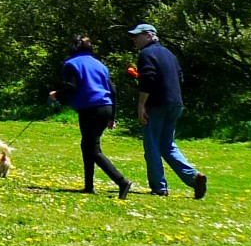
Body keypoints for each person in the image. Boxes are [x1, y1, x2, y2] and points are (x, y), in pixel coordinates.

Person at [48, 35, 132, 198]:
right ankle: (88, 186)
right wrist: (112, 117)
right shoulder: (100, 65)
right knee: (88, 145)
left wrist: (56, 95)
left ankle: (122, 181)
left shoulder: (71, 64)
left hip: (90, 109)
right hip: (106, 107)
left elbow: (71, 87)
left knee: (92, 149)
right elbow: (113, 91)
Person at [130, 24, 207, 199]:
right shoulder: (170, 54)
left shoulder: (146, 54)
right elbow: (179, 77)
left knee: (152, 146)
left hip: (156, 105)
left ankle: (159, 187)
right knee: (167, 145)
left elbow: (149, 79)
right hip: (175, 103)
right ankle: (194, 178)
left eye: (137, 36)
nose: (134, 39)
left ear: (149, 35)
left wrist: (141, 105)